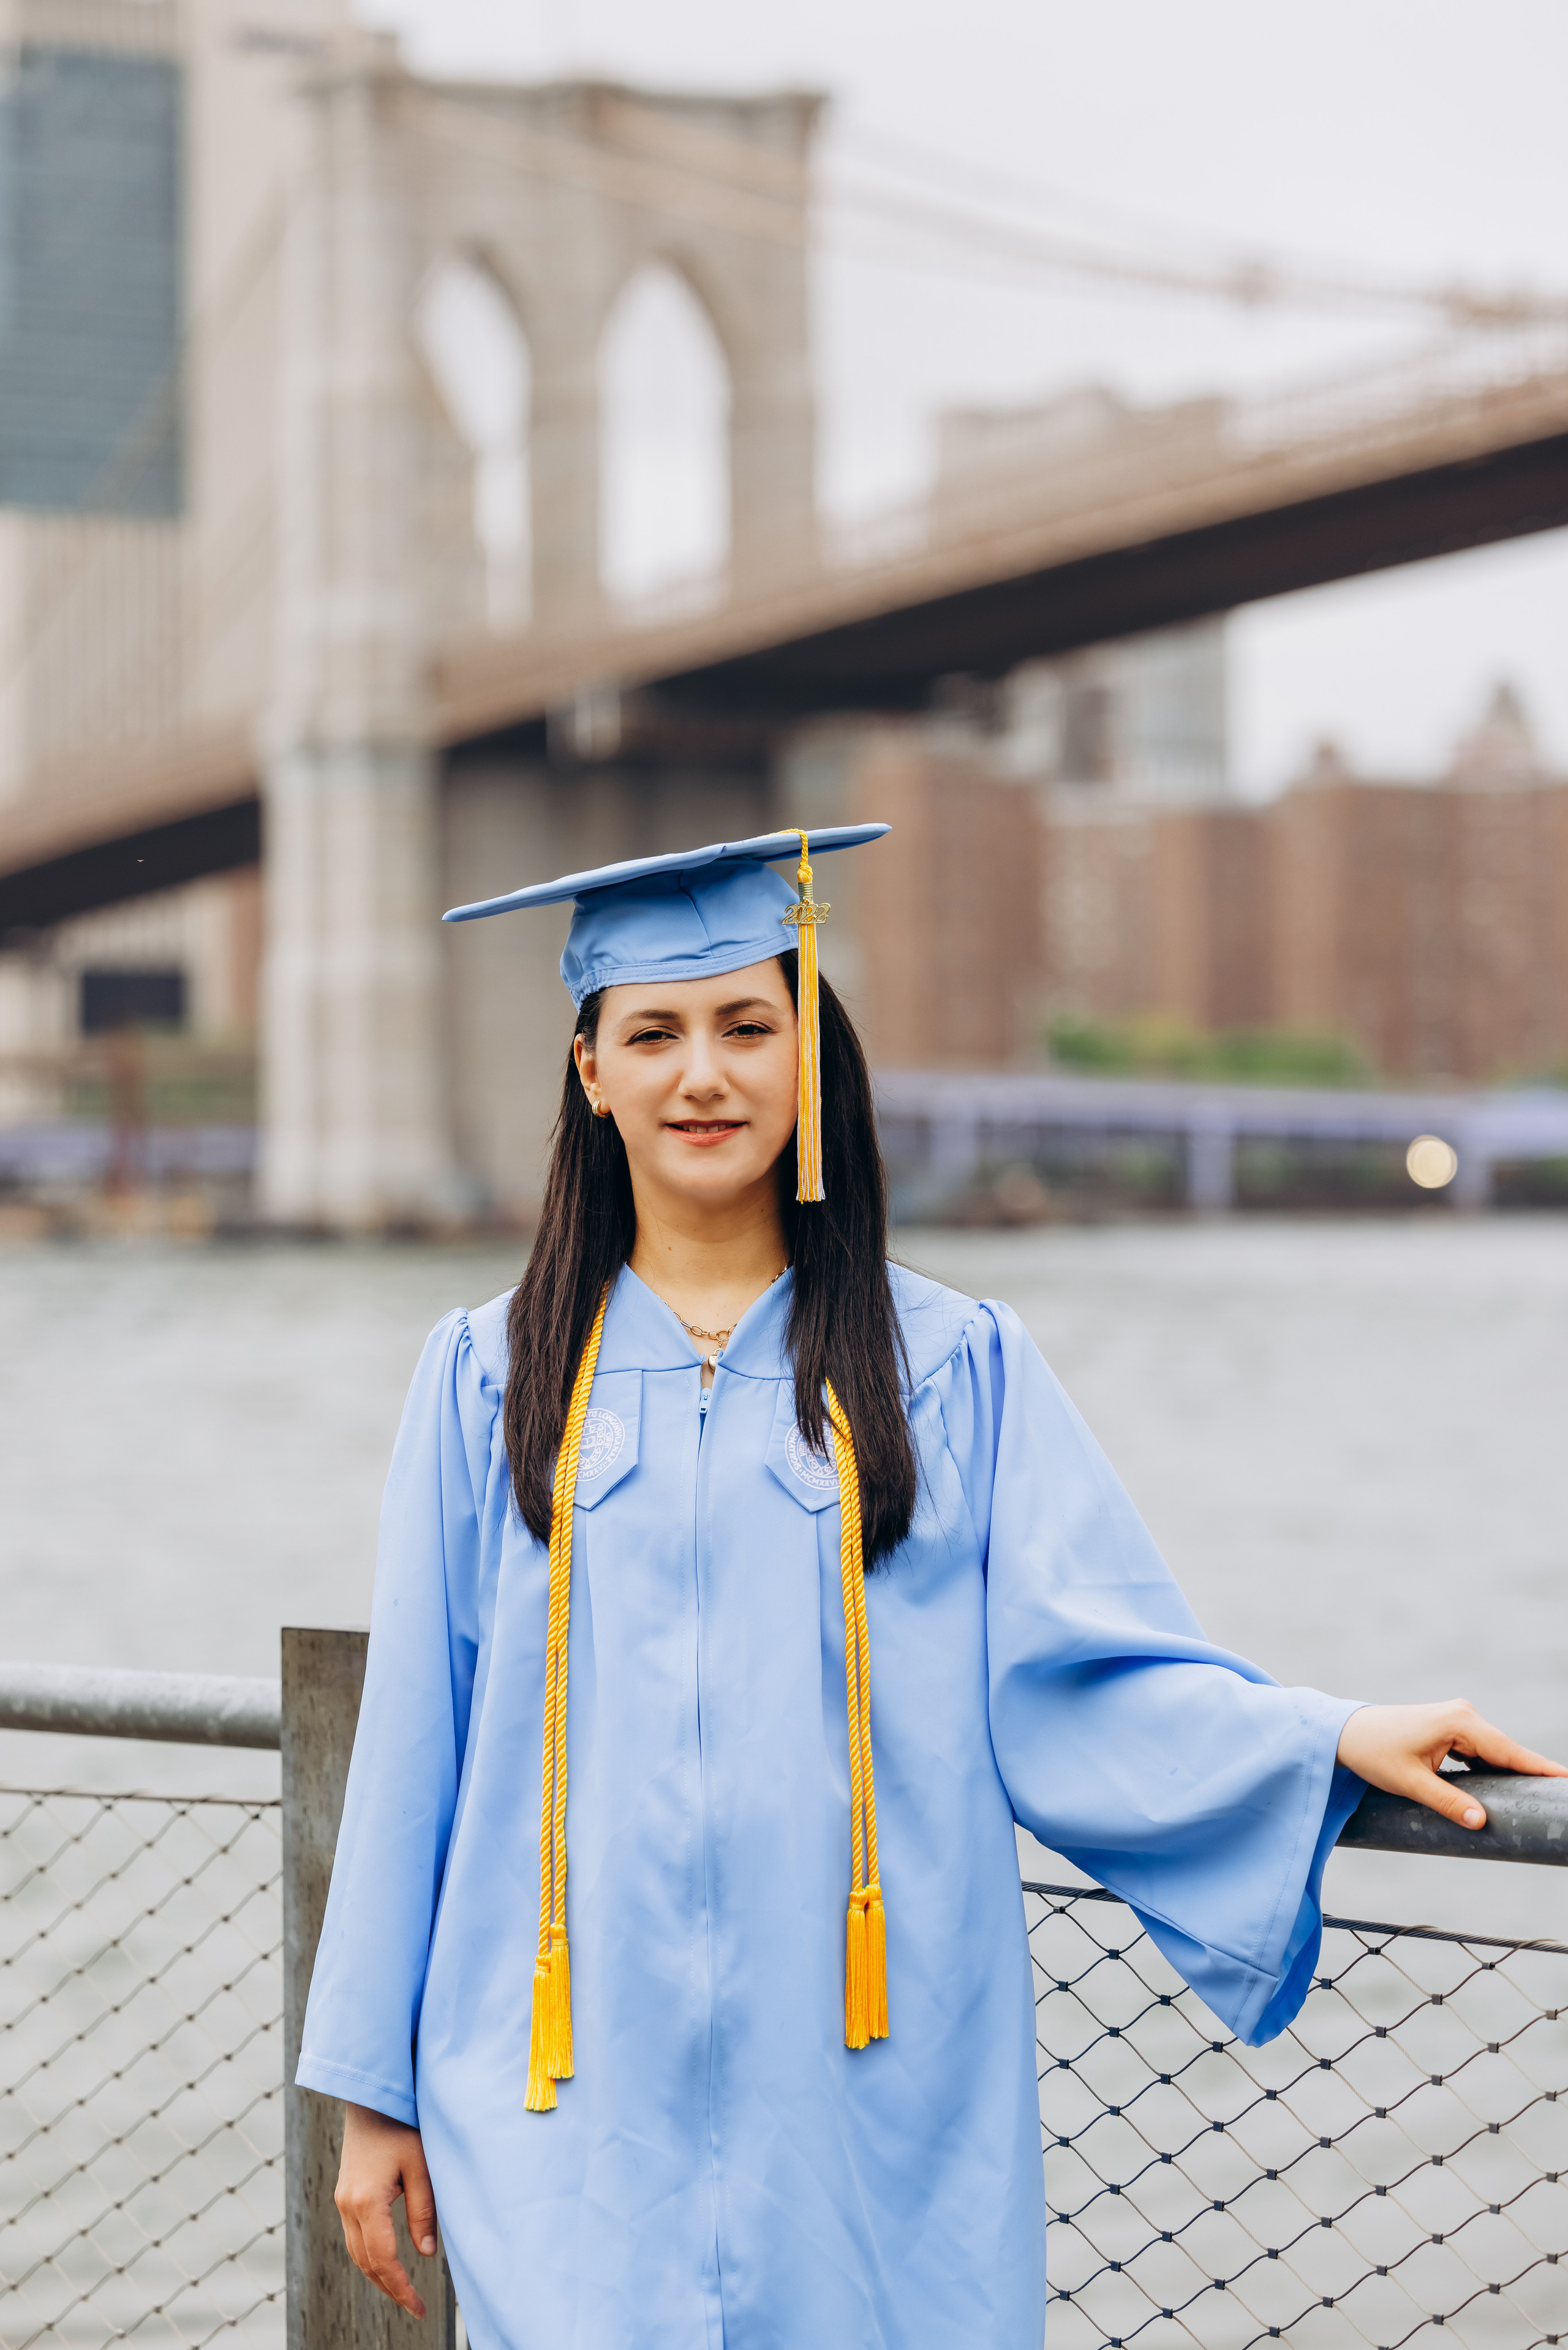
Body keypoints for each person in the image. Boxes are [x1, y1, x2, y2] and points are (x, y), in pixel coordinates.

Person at [296, 825, 1562, 2350]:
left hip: (865, 2083)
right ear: (590, 1070)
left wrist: (1321, 1736)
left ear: (808, 1054)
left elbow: (1078, 1675)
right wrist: (371, 2091)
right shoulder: (489, 1379)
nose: (702, 1074)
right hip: (562, 2088)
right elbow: (414, 1744)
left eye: (746, 1026)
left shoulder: (947, 1369)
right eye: (653, 1033)